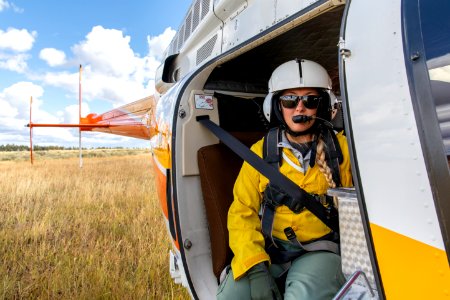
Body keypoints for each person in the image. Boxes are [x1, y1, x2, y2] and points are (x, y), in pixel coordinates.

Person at [216, 59, 353, 300]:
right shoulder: (260, 153)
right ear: (277, 106)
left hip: (322, 249)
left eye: (310, 100)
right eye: (290, 100)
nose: (300, 108)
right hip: (273, 250)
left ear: (322, 106)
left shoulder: (343, 149)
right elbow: (241, 212)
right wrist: (256, 268)